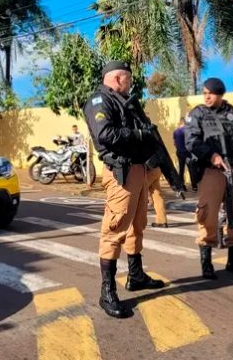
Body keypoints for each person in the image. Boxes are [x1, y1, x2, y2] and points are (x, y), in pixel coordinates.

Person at [83, 61, 164, 319]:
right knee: (115, 229)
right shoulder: (100, 101)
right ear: (118, 78)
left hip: (139, 171)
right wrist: (140, 135)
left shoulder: (125, 101)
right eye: (128, 78)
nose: (130, 82)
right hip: (121, 173)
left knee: (137, 224)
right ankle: (107, 292)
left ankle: (135, 275)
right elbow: (106, 134)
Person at [185, 77, 233, 280]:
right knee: (207, 214)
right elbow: (191, 140)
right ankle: (206, 263)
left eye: (211, 93)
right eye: (205, 92)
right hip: (211, 172)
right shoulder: (198, 114)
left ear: (220, 94)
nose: (207, 96)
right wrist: (211, 155)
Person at [173, 119, 191, 191]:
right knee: (191, 168)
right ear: (184, 123)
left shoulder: (175, 132)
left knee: (181, 169)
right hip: (186, 152)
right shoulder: (186, 131)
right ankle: (194, 185)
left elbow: (174, 143)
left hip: (179, 152)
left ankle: (181, 185)